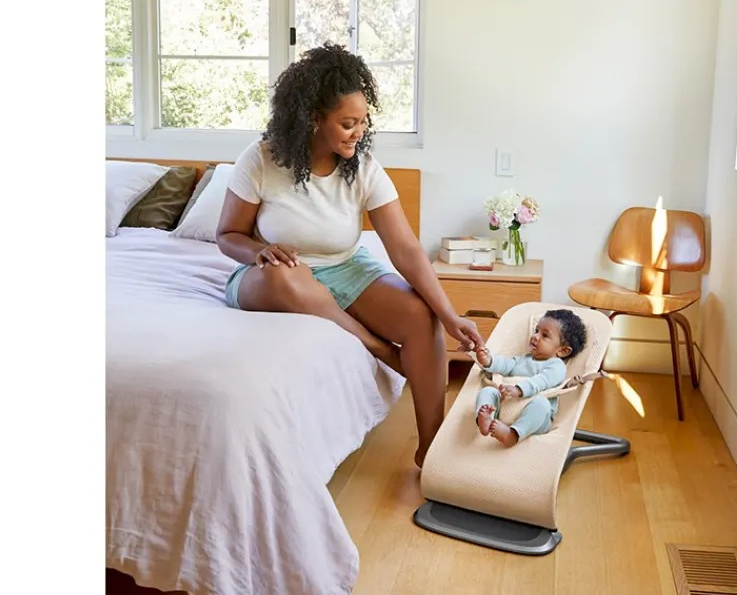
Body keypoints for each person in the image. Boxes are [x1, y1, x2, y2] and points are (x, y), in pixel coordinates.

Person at [215, 43, 484, 467]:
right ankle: (378, 348)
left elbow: (405, 248)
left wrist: (449, 315)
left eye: (362, 122)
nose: (358, 132)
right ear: (313, 118)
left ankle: (432, 449)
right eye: (347, 123)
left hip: (344, 267)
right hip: (271, 276)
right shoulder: (261, 158)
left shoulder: (363, 168)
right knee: (285, 275)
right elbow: (227, 235)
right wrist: (261, 250)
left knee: (421, 315)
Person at [472, 309, 588, 447]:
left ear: (562, 351)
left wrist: (519, 389)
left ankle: (513, 435)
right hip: (505, 406)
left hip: (536, 419)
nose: (535, 336)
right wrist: (488, 361)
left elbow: (541, 381)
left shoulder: (557, 366)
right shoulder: (523, 359)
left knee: (541, 404)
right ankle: (486, 420)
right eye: (536, 331)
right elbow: (505, 364)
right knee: (487, 392)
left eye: (545, 335)